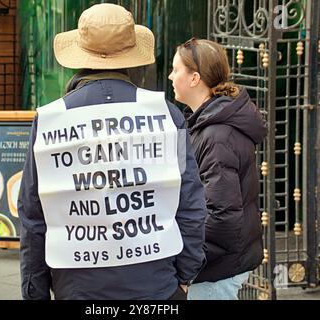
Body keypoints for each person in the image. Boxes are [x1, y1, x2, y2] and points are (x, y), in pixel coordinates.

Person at [18, 4, 207, 300]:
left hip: (78, 288)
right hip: (156, 285)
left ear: (80, 56)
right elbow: (191, 204)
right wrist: (184, 275)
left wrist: (35, 292)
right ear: (131, 58)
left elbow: (32, 216)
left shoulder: (49, 120)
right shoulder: (168, 115)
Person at [168, 38, 267, 300]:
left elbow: (221, 216)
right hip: (216, 265)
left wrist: (186, 268)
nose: (170, 76)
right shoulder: (207, 124)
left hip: (214, 271)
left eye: (176, 69)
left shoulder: (216, 135)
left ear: (194, 78)